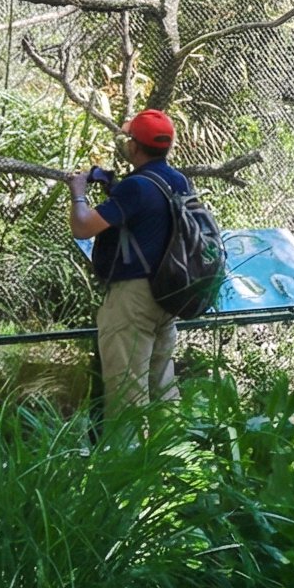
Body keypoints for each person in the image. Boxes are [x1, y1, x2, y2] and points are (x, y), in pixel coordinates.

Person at [66, 109, 195, 410]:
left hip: (133, 298)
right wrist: (114, 191)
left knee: (127, 394)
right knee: (162, 386)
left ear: (134, 146)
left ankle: (128, 454)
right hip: (168, 292)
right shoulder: (178, 181)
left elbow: (83, 227)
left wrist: (78, 193)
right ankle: (172, 452)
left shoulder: (136, 187)